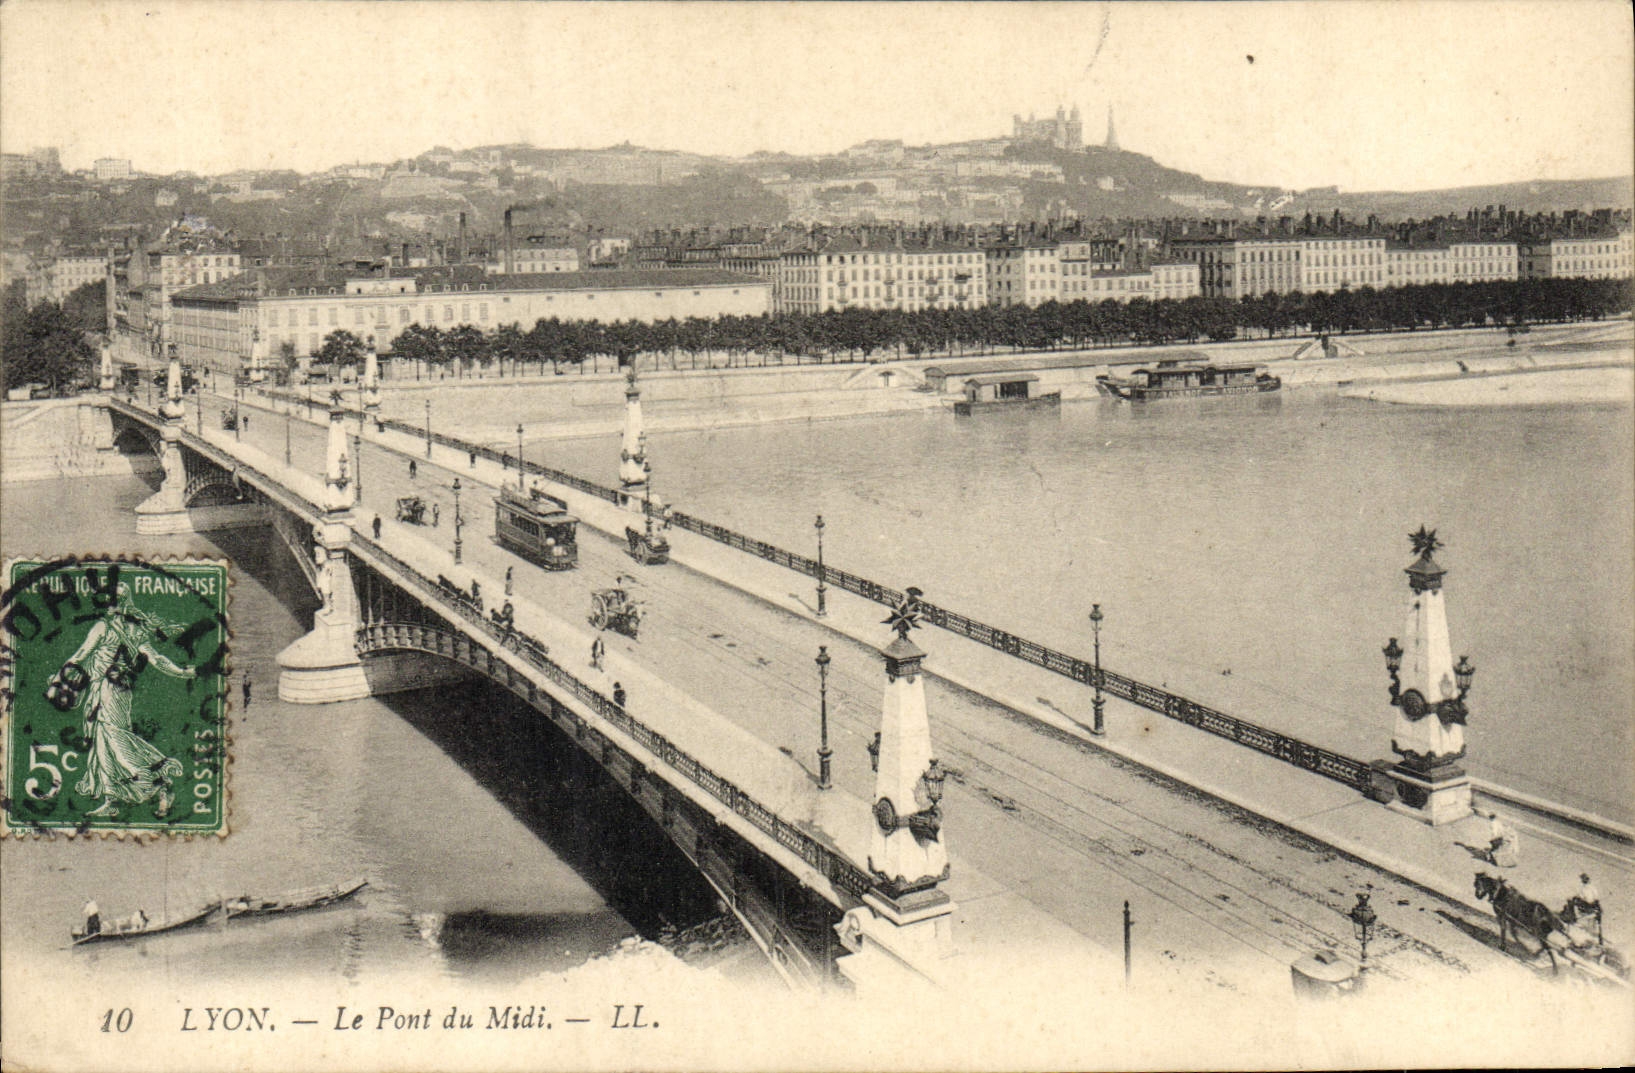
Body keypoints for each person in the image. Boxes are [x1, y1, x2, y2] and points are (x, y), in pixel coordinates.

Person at [48, 584, 193, 818]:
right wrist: (183, 672)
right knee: (103, 744)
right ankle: (112, 800)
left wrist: (58, 678)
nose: (108, 605)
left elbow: (80, 655)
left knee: (116, 742)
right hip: (116, 691)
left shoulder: (103, 627)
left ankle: (160, 782)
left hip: (108, 692)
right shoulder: (136, 630)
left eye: (111, 601)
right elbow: (156, 659)